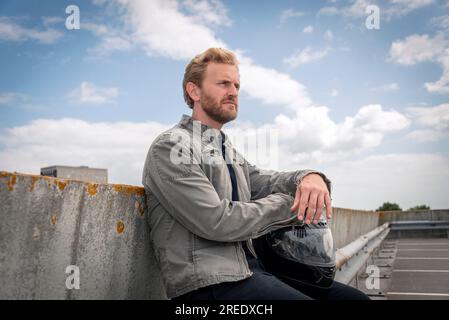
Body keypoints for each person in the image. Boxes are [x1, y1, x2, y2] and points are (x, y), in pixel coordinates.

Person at [142, 47, 369, 300]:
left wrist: (309, 177)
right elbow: (216, 220)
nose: (233, 92)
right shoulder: (172, 146)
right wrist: (290, 206)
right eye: (223, 84)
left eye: (237, 85)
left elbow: (267, 181)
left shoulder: (225, 150)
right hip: (210, 284)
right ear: (194, 90)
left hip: (252, 271)